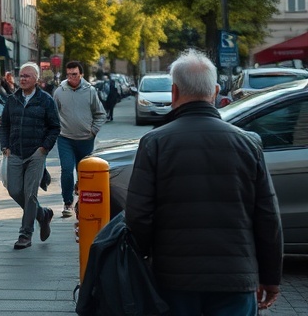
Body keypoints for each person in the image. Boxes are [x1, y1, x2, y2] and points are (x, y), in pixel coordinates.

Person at [127, 50, 282, 314]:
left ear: (174, 92)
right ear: (216, 91)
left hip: (173, 279)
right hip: (236, 279)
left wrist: (144, 256)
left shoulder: (154, 143)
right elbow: (268, 217)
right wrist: (271, 277)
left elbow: (139, 215)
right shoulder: (248, 143)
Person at [0, 62, 60, 250]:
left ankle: (25, 234)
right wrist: (5, 146)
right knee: (14, 190)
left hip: (36, 153)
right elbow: (5, 125)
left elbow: (54, 127)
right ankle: (42, 215)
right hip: (15, 151)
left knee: (30, 194)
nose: (22, 79)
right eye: (21, 76)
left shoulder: (46, 100)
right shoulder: (12, 99)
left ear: (37, 79)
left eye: (27, 76)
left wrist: (44, 148)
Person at [53, 61, 106, 218]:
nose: (71, 78)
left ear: (81, 74)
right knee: (67, 170)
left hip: (86, 139)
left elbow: (100, 114)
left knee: (84, 173)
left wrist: (93, 131)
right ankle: (68, 202)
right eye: (68, 75)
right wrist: (56, 130)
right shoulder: (59, 92)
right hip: (65, 139)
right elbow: (53, 114)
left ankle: (82, 201)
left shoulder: (90, 91)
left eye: (74, 74)